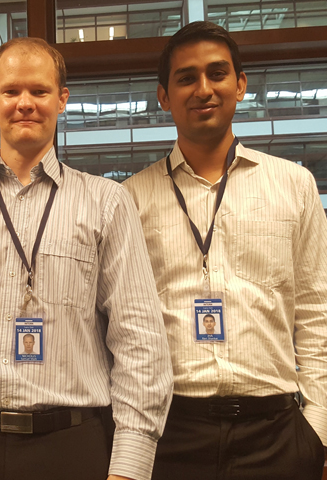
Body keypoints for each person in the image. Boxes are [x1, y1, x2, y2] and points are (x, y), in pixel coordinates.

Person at [0, 37, 172, 480]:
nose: (25, 103)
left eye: (39, 91)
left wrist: (130, 464)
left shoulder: (107, 202)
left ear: (61, 100)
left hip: (71, 445)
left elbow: (139, 339)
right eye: (11, 91)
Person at [124, 21, 327, 480]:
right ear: (163, 96)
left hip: (277, 434)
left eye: (217, 73)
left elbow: (318, 312)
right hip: (171, 433)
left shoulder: (294, 185)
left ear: (240, 85)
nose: (203, 89)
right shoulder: (131, 198)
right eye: (186, 78)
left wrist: (317, 429)